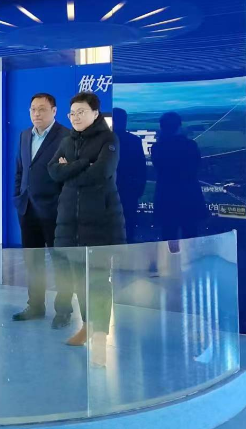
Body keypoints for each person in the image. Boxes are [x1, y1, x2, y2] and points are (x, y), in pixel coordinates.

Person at [48, 92, 125, 366]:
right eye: (72, 113)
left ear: (95, 113)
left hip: (101, 223)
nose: (76, 117)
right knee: (80, 281)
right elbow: (53, 171)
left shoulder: (109, 140)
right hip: (69, 224)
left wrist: (70, 169)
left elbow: (100, 173)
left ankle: (101, 338)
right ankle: (87, 326)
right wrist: (81, 165)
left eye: (81, 112)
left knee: (99, 282)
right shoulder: (67, 141)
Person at [12, 93, 73, 328]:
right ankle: (35, 305)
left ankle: (63, 310)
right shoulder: (25, 135)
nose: (37, 114)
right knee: (33, 261)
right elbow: (20, 170)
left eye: (42, 109)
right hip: (27, 208)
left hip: (55, 210)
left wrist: (63, 206)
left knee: (61, 262)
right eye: (33, 109)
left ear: (54, 111)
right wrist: (18, 196)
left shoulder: (66, 137)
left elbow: (70, 177)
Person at [151, 112, 208, 252]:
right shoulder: (190, 145)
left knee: (168, 234)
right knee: (190, 233)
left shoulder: (157, 147)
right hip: (188, 196)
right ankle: (191, 262)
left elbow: (159, 168)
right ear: (179, 126)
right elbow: (196, 167)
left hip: (166, 196)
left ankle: (170, 262)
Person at [112, 108, 147, 243]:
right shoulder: (134, 141)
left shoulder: (103, 140)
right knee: (129, 226)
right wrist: (139, 189)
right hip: (130, 190)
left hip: (111, 190)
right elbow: (141, 168)